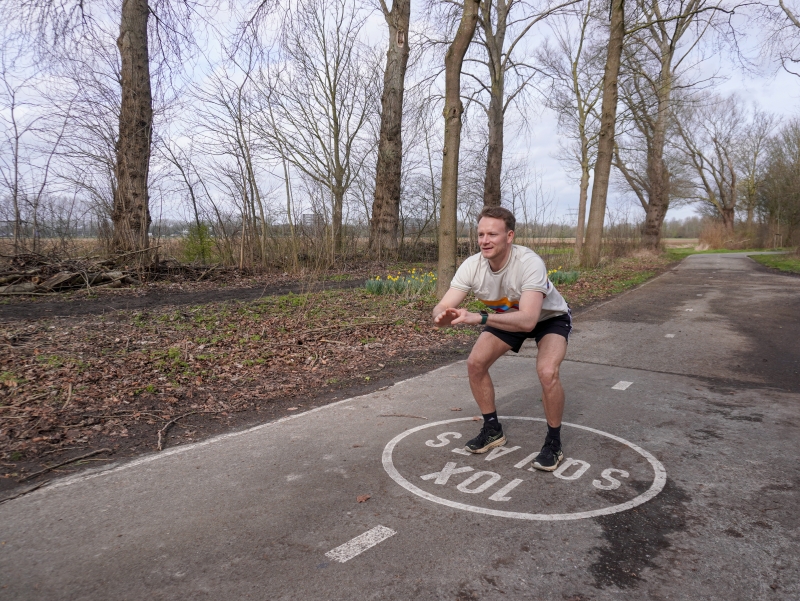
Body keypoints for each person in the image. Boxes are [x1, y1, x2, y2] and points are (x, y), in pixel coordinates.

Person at [432, 206, 572, 471]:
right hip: (506, 316)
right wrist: (442, 315)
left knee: (547, 372)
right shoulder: (472, 266)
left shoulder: (529, 263)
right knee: (475, 364)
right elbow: (442, 306)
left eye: (492, 234)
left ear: (509, 237)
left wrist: (481, 317)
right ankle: (492, 429)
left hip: (547, 318)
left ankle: (554, 442)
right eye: (481, 234)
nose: (485, 240)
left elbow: (529, 319)